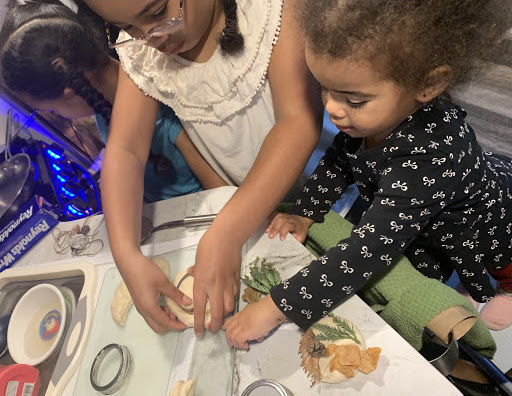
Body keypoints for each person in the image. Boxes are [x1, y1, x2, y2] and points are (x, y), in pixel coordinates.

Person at [224, 0, 512, 349]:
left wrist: (278, 306)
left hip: (483, 220)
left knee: (498, 260)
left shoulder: (431, 157)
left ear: (428, 84)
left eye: (354, 100)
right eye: (324, 89)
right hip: (422, 216)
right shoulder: (371, 116)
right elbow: (339, 161)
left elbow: (370, 249)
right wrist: (305, 212)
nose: (331, 108)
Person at [81, 0, 323, 336]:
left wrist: (225, 234)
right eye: (129, 29)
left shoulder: (271, 11)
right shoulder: (144, 54)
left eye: (156, 14)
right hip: (256, 215)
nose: (150, 38)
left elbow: (298, 122)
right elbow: (124, 150)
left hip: (326, 198)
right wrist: (125, 252)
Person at [0, 0, 226, 205]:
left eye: (51, 109)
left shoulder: (158, 106)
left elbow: (220, 190)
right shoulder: (102, 112)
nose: (57, 115)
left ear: (70, 91)